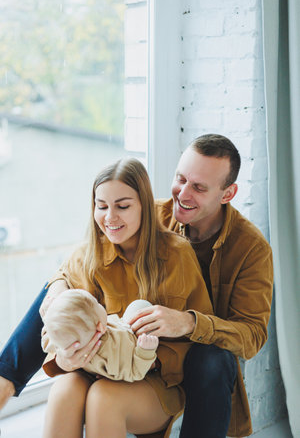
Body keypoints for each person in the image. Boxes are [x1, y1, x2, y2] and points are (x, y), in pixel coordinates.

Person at [0, 134, 273, 438]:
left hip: (182, 357)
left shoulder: (249, 249)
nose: (182, 193)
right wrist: (58, 289)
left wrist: (186, 322)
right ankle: (5, 378)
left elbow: (252, 335)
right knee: (61, 310)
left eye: (198, 187)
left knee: (212, 360)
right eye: (180, 178)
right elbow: (74, 266)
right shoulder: (142, 215)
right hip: (114, 355)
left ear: (227, 193)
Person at [39, 157, 212, 437]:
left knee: (104, 397)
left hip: (153, 382)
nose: (110, 218)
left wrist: (139, 356)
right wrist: (64, 360)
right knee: (63, 390)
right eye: (102, 206)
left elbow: (199, 338)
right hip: (92, 370)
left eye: (123, 206)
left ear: (144, 205)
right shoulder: (85, 257)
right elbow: (57, 329)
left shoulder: (177, 255)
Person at [41, 289, 158, 382]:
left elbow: (47, 340)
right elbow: (135, 373)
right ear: (100, 327)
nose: (99, 303)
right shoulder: (113, 353)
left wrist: (48, 319)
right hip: (133, 346)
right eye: (97, 304)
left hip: (120, 326)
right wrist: (145, 352)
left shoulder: (60, 341)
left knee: (138, 308)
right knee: (141, 306)